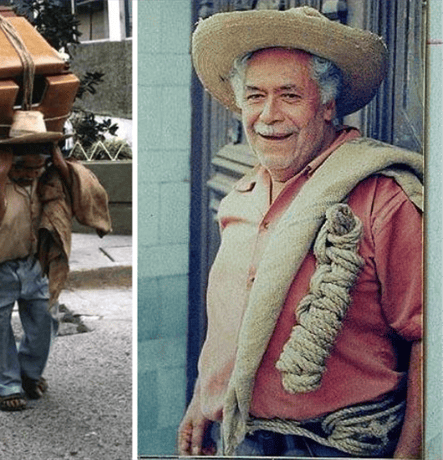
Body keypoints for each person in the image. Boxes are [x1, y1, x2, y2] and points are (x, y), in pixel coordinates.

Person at [179, 7, 423, 458]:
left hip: (339, 446)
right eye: (254, 96)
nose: (268, 115)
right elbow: (231, 321)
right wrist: (203, 397)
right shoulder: (242, 195)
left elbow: (428, 335)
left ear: (328, 105)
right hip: (242, 436)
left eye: (289, 95)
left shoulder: (382, 198)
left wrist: (412, 453)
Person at [0, 110, 111, 411]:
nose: (32, 175)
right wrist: (1, 175)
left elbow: (83, 195)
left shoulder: (47, 172)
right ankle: (7, 386)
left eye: (37, 167)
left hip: (32, 262)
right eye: (25, 168)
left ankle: (29, 374)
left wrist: (56, 163)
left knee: (46, 322)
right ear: (10, 157)